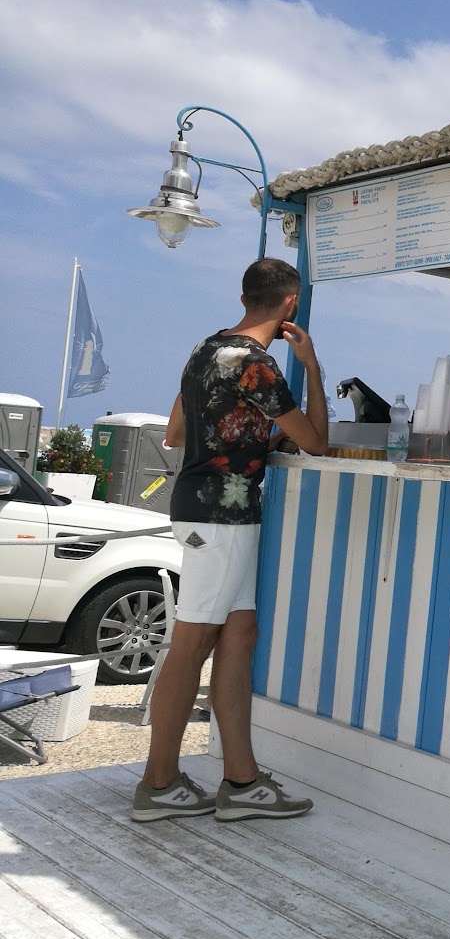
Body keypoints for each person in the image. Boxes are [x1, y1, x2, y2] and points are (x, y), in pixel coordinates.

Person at [133, 257, 329, 823]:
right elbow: (315, 441)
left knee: (239, 634)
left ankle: (241, 782)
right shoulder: (259, 366)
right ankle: (159, 783)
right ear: (290, 304)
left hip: (207, 514)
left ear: (245, 298)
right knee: (192, 644)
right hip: (223, 517)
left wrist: (236, 432)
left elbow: (175, 433)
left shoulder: (205, 351)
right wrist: (311, 367)